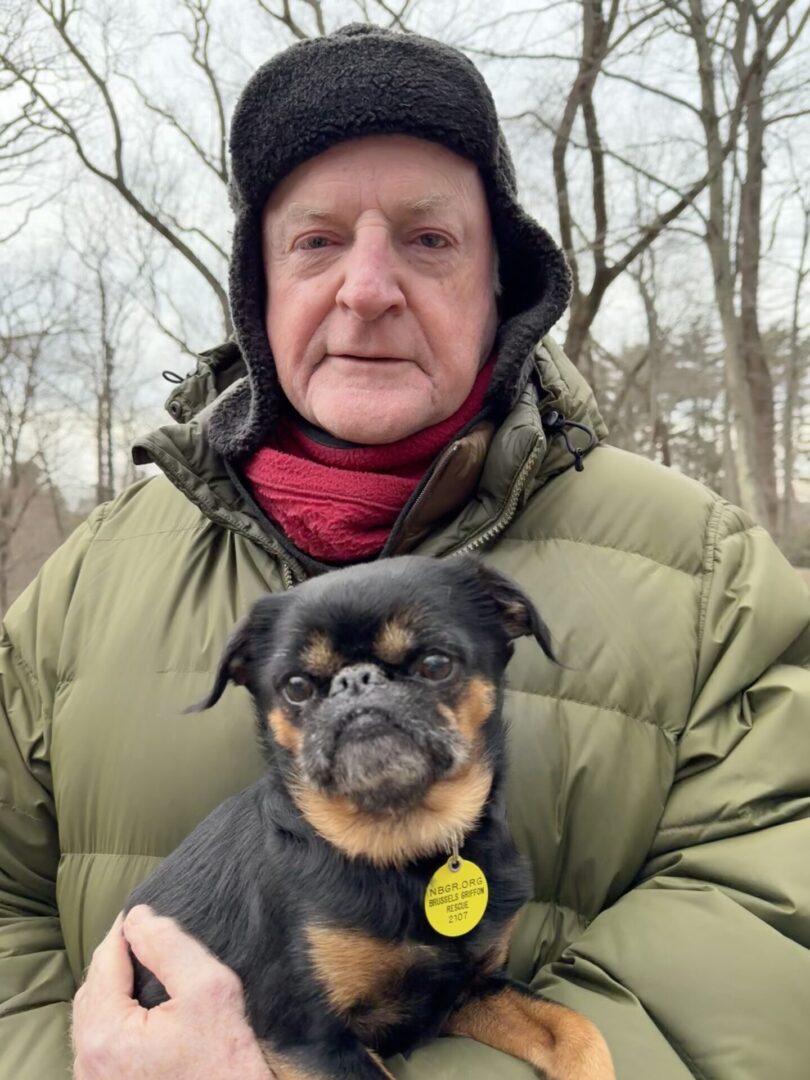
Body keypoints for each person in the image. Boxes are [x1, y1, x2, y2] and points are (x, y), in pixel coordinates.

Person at [1, 22, 809, 1080]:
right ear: (262, 289)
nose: (368, 288)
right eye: (318, 240)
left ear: (500, 282)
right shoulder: (86, 580)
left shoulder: (704, 570)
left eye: (429, 240)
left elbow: (768, 933)